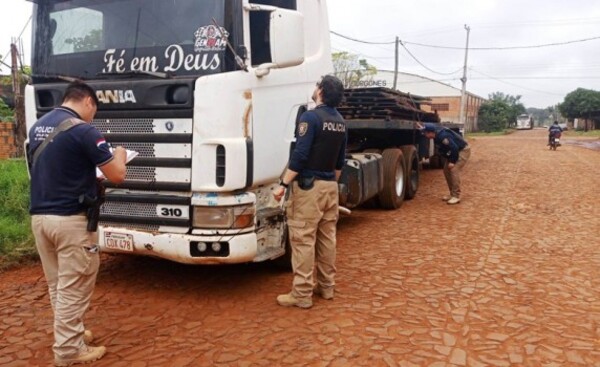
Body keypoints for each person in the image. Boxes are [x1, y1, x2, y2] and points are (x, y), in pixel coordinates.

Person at [28, 81, 127, 366]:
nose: (92, 116)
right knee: (75, 284)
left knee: (58, 284)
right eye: (94, 110)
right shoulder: (84, 130)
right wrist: (119, 154)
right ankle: (69, 352)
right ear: (88, 102)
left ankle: (72, 335)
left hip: (41, 218)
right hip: (70, 222)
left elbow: (57, 169)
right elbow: (117, 174)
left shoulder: (39, 126)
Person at [273, 75, 347, 309]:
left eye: (317, 86)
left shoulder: (311, 117)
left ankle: (302, 293)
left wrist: (283, 185)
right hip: (330, 187)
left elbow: (300, 155)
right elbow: (339, 162)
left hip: (309, 187)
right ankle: (326, 287)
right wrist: (331, 185)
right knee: (327, 238)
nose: (314, 89)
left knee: (303, 239)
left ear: (321, 91)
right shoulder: (340, 122)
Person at [421, 123, 471, 205]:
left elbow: (454, 148)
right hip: (455, 151)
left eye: (425, 133)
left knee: (454, 169)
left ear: (430, 132)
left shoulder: (442, 136)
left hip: (463, 150)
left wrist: (452, 162)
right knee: (446, 170)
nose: (424, 135)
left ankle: (456, 196)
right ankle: (452, 194)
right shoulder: (435, 135)